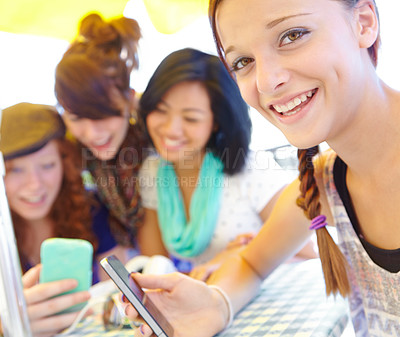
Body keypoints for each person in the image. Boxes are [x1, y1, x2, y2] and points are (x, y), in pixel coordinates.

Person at [124, 0, 400, 336]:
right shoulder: (325, 180)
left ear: (365, 23)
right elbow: (251, 264)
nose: (267, 81)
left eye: (292, 35)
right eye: (242, 62)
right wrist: (216, 305)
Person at [137, 48, 315, 280]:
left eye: (190, 118)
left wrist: (242, 258)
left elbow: (309, 256)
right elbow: (156, 270)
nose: (171, 129)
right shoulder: (152, 173)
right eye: (160, 111)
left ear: (216, 122)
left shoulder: (252, 170)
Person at [0, 102, 126, 336]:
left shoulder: (93, 211)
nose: (34, 185)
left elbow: (120, 294)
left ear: (64, 163)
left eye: (47, 165)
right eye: (16, 170)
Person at [54, 13, 167, 256]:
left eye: (103, 114)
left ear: (130, 100)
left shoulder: (161, 138)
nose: (93, 133)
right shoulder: (70, 154)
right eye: (76, 118)